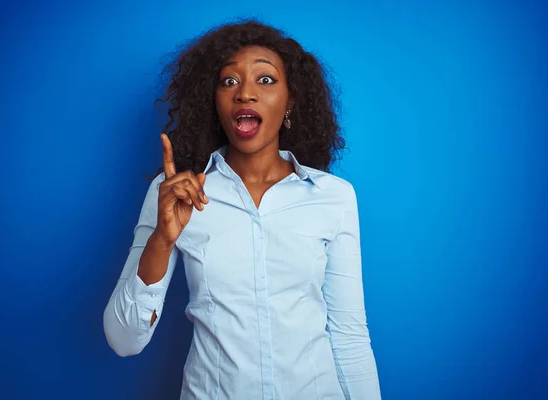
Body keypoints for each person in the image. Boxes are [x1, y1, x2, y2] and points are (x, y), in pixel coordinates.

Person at [103, 19, 381, 400]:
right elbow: (123, 341)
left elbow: (349, 336)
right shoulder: (175, 194)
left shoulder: (333, 197)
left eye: (265, 80)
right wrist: (162, 240)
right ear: (213, 103)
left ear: (290, 102)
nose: (245, 93)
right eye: (229, 81)